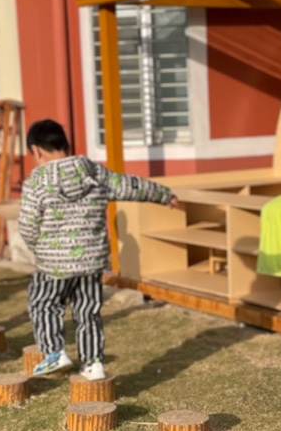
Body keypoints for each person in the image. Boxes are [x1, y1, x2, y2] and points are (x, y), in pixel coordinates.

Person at [19, 118, 177, 381]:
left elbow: (27, 224)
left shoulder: (37, 181)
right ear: (65, 144)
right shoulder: (93, 172)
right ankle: (93, 364)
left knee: (43, 303)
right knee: (88, 311)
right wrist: (163, 194)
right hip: (91, 260)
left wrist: (38, 247)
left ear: (36, 150)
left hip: (53, 263)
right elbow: (128, 185)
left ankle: (54, 352)